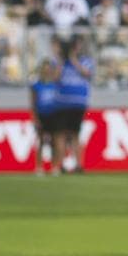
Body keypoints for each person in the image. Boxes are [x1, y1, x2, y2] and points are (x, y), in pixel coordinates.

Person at [54, 37, 93, 174]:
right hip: (61, 102)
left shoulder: (86, 61)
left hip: (78, 103)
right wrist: (61, 60)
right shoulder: (60, 63)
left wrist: (73, 59)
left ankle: (78, 165)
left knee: (76, 134)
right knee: (61, 134)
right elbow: (55, 78)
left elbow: (86, 73)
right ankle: (61, 164)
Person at [30, 59, 60, 176]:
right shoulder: (36, 85)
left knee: (54, 142)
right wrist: (35, 118)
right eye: (45, 68)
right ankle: (39, 167)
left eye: (49, 68)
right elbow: (33, 103)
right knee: (41, 141)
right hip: (42, 115)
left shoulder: (56, 84)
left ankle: (54, 167)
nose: (47, 70)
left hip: (54, 115)